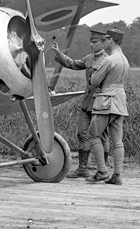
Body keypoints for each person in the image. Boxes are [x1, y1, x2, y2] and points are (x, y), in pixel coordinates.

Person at [51, 29, 110, 178]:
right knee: (82, 134)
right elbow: (73, 64)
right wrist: (58, 53)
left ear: (103, 43)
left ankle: (102, 169)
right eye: (91, 42)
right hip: (87, 103)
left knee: (101, 136)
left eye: (95, 42)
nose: (92, 44)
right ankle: (83, 168)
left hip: (101, 103)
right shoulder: (89, 58)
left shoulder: (108, 60)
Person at [85, 28, 129, 185]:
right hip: (120, 102)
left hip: (105, 101)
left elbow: (94, 81)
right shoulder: (124, 59)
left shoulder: (109, 60)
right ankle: (117, 175)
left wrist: (94, 82)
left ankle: (102, 171)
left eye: (105, 40)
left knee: (92, 135)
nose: (103, 42)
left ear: (112, 40)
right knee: (117, 141)